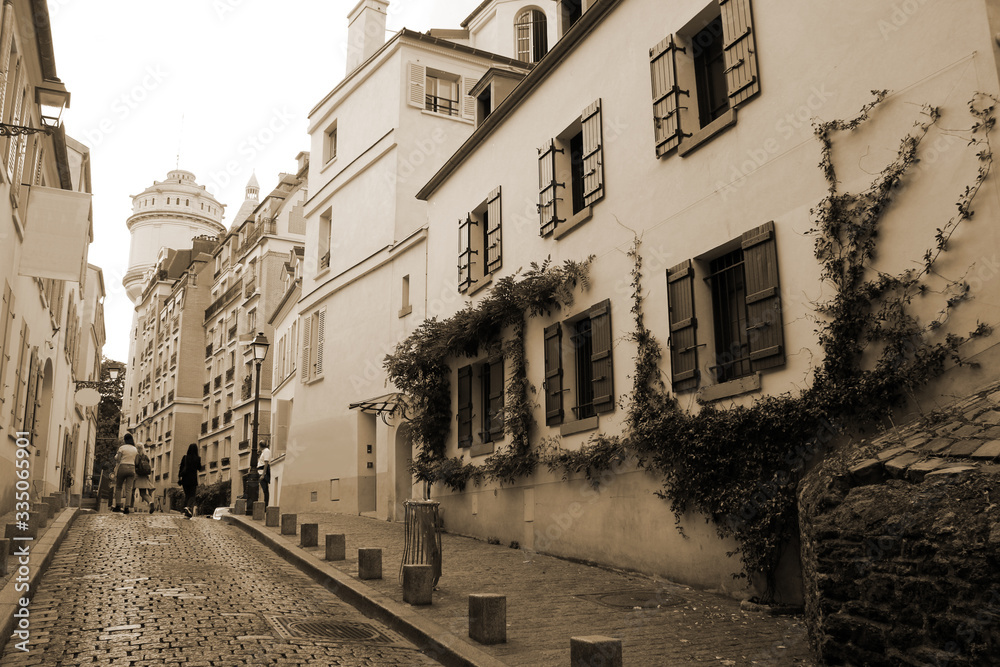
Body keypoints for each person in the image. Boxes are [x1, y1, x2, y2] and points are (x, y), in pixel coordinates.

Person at [113, 434, 139, 514]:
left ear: (125, 440)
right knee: (129, 489)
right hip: (132, 468)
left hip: (122, 467)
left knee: (118, 487)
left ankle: (118, 505)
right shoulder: (135, 449)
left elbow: (118, 459)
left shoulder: (122, 448)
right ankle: (127, 507)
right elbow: (137, 462)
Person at [178, 443, 202, 519]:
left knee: (187, 495)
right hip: (193, 479)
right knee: (192, 495)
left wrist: (179, 477)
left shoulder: (185, 457)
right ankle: (188, 508)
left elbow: (181, 468)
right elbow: (199, 468)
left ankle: (186, 511)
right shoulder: (197, 458)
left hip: (185, 479)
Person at [133, 443, 155, 513]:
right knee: (143, 493)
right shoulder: (146, 457)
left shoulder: (137, 456)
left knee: (131, 491)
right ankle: (151, 502)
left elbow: (136, 464)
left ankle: (130, 507)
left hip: (137, 475)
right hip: (144, 476)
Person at [257, 441, 272, 507]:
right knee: (265, 489)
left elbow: (266, 463)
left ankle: (266, 505)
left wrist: (263, 474)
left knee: (265, 489)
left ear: (260, 446)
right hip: (261, 472)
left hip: (262, 472)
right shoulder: (264, 452)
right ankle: (265, 505)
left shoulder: (266, 451)